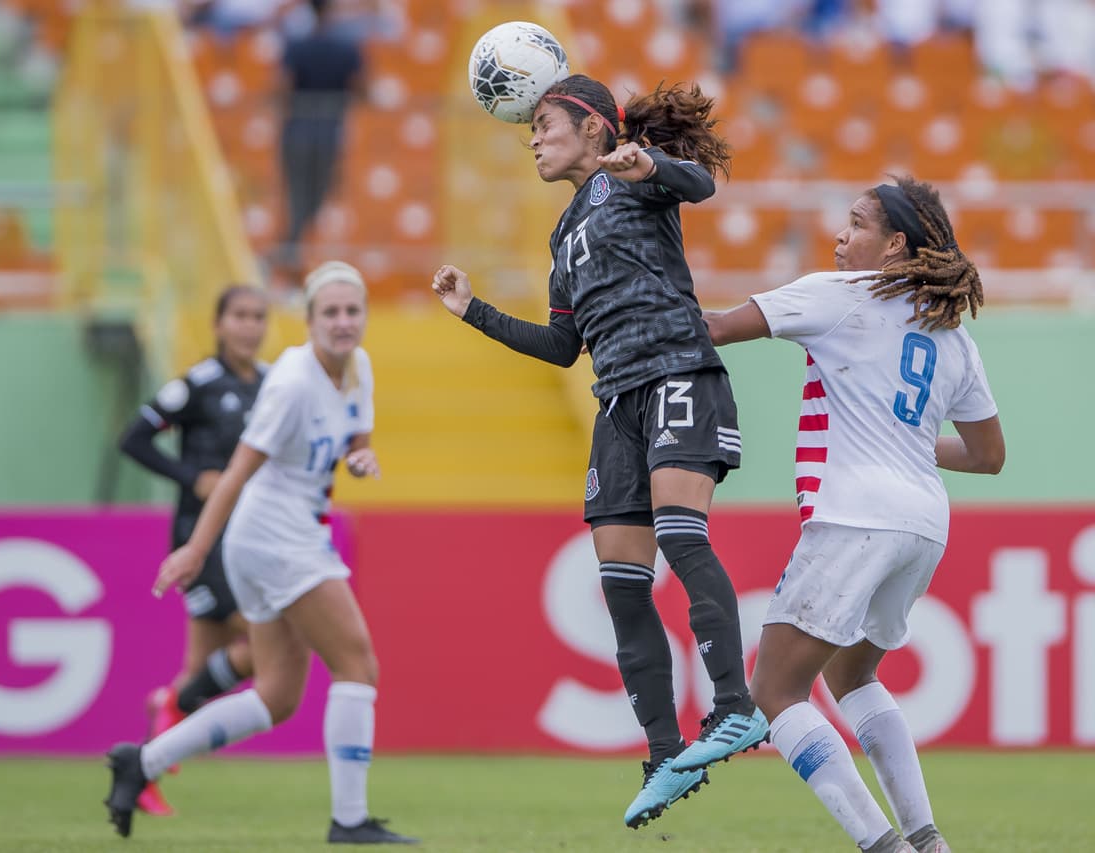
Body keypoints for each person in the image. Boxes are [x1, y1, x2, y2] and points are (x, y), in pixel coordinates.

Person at [430, 74, 769, 830]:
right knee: (620, 584)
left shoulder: (638, 173)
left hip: (678, 373)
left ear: (591, 126)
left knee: (683, 535)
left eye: (544, 123)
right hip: (617, 405)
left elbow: (702, 184)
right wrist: (472, 311)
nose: (533, 138)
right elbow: (561, 346)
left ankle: (735, 706)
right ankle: (663, 756)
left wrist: (644, 165)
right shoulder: (563, 235)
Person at [704, 175, 1005, 853]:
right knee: (852, 674)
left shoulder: (840, 296)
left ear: (896, 243)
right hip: (924, 520)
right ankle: (928, 840)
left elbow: (715, 328)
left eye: (858, 223)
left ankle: (885, 846)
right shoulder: (950, 332)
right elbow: (989, 455)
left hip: (855, 514)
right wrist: (902, 440)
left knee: (776, 690)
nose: (841, 235)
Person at [104, 261, 418, 846]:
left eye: (353, 311)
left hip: (281, 533)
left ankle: (140, 762)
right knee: (359, 666)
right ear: (308, 320)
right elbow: (236, 474)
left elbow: (355, 441)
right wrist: (196, 550)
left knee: (276, 697)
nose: (344, 322)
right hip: (275, 534)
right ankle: (349, 821)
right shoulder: (292, 382)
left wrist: (360, 459)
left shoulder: (358, 368)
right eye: (331, 312)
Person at [116, 284, 269, 816]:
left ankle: (144, 769)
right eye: (240, 316)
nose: (250, 326)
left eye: (258, 317)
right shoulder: (197, 386)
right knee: (260, 647)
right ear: (219, 324)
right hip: (201, 542)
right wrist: (191, 477)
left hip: (252, 537)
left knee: (199, 667)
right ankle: (170, 710)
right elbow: (133, 438)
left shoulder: (273, 384)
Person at [272, 0, 365, 288]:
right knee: (315, 199)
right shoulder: (347, 48)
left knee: (299, 200)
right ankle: (289, 263)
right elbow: (361, 88)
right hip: (329, 132)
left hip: (297, 131)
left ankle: (289, 260)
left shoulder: (297, 44)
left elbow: (282, 88)